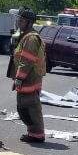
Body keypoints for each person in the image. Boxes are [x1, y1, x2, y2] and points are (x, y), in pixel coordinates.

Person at [10, 9, 47, 143]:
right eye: (18, 20)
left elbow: (27, 60)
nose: (18, 22)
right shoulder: (26, 36)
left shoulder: (30, 38)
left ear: (29, 23)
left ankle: (37, 135)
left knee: (30, 107)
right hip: (28, 78)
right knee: (25, 108)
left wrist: (19, 78)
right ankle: (33, 133)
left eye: (21, 20)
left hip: (29, 79)